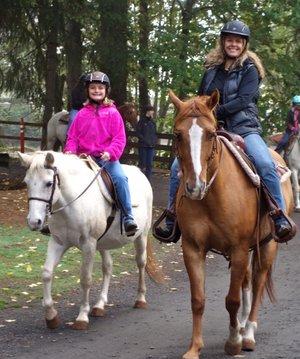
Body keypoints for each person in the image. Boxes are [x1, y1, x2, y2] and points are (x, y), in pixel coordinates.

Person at [155, 20, 293, 242]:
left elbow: (245, 99)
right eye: (229, 40)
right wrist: (201, 115)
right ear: (223, 42)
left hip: (244, 127)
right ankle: (172, 217)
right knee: (175, 168)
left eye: (238, 41)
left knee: (265, 162)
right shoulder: (211, 70)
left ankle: (278, 215)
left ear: (244, 44)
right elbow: (201, 98)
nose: (233, 44)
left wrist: (213, 112)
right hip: (212, 129)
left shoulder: (250, 69)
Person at [64, 71, 138, 236]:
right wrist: (70, 151)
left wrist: (110, 152)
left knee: (120, 178)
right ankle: (59, 217)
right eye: (93, 88)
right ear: (87, 90)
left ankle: (128, 216)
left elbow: (119, 138)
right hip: (84, 159)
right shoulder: (82, 114)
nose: (96, 90)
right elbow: (72, 137)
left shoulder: (113, 113)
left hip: (106, 159)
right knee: (63, 179)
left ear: (106, 90)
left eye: (100, 88)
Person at [137, 105, 157, 180]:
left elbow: (155, 133)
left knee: (150, 164)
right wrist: (145, 141)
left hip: (151, 147)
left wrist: (154, 141)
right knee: (142, 164)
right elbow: (138, 133)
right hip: (143, 146)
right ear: (148, 111)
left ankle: (147, 180)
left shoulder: (153, 122)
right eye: (152, 110)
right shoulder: (141, 121)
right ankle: (140, 179)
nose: (153, 112)